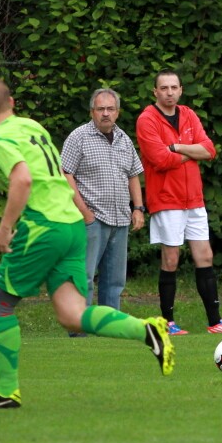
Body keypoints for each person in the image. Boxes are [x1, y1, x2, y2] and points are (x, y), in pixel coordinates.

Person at [0, 78, 174, 410]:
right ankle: (146, 329)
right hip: (72, 225)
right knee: (73, 315)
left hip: (44, 227)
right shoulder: (32, 126)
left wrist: (5, 228)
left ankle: (6, 391)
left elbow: (23, 178)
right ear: (13, 103)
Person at [136, 69, 222, 336]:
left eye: (174, 87)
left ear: (181, 90)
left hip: (193, 199)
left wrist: (176, 147)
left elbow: (209, 150)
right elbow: (159, 160)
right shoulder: (147, 119)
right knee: (171, 259)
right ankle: (167, 323)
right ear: (155, 91)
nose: (169, 92)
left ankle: (215, 322)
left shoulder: (188, 114)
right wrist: (191, 151)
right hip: (166, 199)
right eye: (164, 88)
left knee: (205, 256)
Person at [60, 88, 145, 316]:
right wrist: (85, 213)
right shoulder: (79, 137)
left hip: (120, 219)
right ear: (92, 112)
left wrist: (138, 208)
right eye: (100, 109)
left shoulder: (124, 139)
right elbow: (65, 174)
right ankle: (79, 326)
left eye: (110, 109)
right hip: (91, 220)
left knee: (115, 281)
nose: (105, 113)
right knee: (84, 277)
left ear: (117, 112)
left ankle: (109, 326)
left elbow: (133, 174)